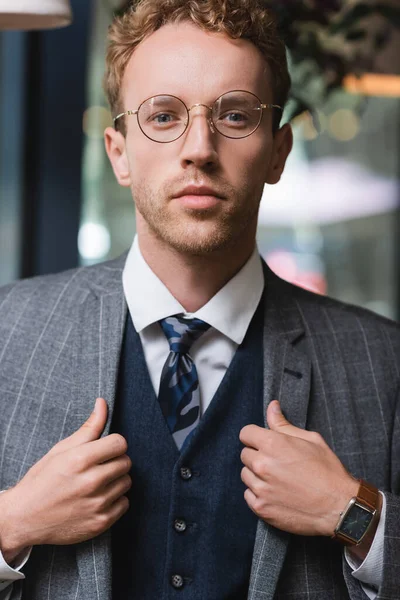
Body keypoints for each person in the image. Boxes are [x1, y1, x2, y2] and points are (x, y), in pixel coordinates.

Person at [0, 0, 399, 598]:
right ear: (118, 152)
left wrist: (354, 510)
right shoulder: (6, 331)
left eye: (235, 115)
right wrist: (13, 523)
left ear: (278, 151)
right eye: (163, 116)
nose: (199, 149)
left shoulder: (384, 361)